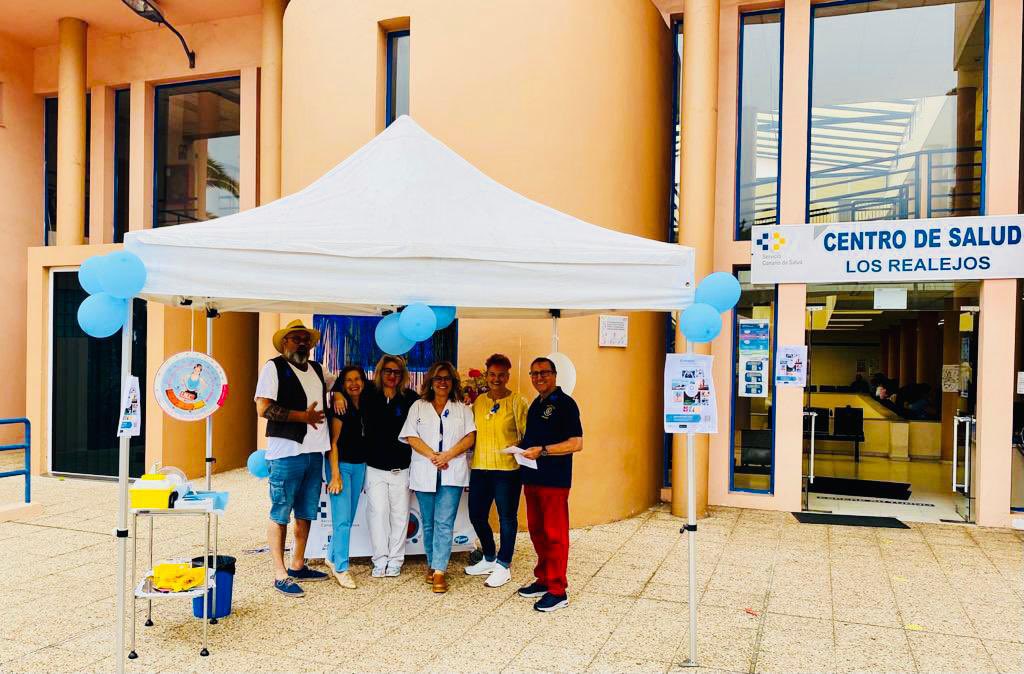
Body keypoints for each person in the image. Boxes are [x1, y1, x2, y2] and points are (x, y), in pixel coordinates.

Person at [254, 319, 331, 597]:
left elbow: (340, 386)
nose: (302, 343)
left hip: (315, 451)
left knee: (306, 512)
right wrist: (303, 416)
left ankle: (298, 564)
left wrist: (342, 396)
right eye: (295, 338)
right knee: (280, 511)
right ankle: (280, 572)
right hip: (286, 451)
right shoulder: (273, 367)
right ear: (284, 342)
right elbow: (263, 408)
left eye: (305, 339)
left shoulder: (318, 369)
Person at [399, 361, 476, 593]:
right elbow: (411, 436)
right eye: (438, 378)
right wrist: (434, 456)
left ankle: (440, 570)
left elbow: (470, 437)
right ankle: (433, 565)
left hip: (451, 471)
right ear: (430, 382)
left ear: (453, 382)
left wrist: (448, 455)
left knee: (444, 522)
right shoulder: (418, 407)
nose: (442, 382)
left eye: (447, 378)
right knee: (430, 523)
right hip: (425, 470)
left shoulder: (462, 408)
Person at [516, 356, 583, 612]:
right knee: (537, 532)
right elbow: (533, 440)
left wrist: (542, 451)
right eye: (534, 373)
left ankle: (558, 589)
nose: (538, 377)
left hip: (554, 481)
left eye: (543, 372)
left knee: (555, 534)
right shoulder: (536, 404)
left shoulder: (566, 404)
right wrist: (518, 449)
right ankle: (543, 578)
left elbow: (576, 443)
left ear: (555, 374)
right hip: (532, 478)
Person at [464, 353, 527, 588]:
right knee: (477, 515)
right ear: (486, 375)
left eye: (501, 375)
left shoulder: (518, 402)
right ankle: (489, 557)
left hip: (507, 471)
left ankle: (503, 565)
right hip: (480, 468)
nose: (496, 379)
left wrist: (516, 448)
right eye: (492, 374)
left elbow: (528, 435)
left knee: (507, 518)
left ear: (508, 376)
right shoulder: (479, 402)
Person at [359, 355, 420, 578]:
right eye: (388, 371)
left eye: (396, 372)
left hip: (402, 468)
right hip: (374, 467)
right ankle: (379, 560)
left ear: (402, 375)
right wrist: (337, 394)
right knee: (377, 514)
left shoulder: (410, 398)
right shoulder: (368, 395)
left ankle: (395, 560)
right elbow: (343, 385)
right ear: (380, 373)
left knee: (400, 516)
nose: (392, 376)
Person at [325, 365, 370, 589]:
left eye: (358, 379)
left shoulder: (365, 402)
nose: (354, 383)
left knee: (348, 519)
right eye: (349, 380)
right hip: (340, 465)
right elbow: (332, 443)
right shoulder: (339, 407)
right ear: (342, 383)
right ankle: (342, 568)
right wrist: (335, 475)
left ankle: (331, 557)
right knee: (342, 521)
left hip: (359, 465)